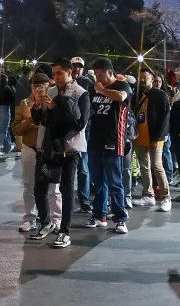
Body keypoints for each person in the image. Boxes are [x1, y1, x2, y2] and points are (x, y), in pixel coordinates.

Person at [30, 58, 89, 249]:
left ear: (69, 73)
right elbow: (42, 121)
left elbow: (79, 124)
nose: (55, 77)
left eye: (58, 73)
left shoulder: (81, 94)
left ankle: (64, 231)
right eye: (53, 74)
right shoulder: (51, 91)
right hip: (48, 149)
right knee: (40, 186)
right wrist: (37, 106)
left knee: (66, 189)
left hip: (69, 149)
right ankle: (45, 222)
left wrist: (56, 107)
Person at [83, 57, 131, 234]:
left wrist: (102, 90)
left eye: (101, 75)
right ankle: (99, 215)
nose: (98, 79)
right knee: (98, 181)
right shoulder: (94, 89)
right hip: (95, 139)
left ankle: (120, 218)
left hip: (113, 140)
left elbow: (121, 97)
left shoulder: (121, 86)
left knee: (115, 181)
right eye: (96, 75)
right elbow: (89, 107)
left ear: (111, 73)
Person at [13, 72, 61, 232]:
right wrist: (30, 119)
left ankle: (56, 219)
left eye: (42, 87)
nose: (38, 90)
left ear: (49, 86)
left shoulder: (55, 101)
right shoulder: (25, 103)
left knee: (53, 187)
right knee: (29, 185)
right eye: (35, 87)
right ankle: (29, 218)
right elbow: (16, 128)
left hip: (49, 150)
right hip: (30, 148)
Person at [132, 67, 172, 211]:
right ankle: (147, 194)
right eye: (141, 77)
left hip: (155, 137)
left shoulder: (160, 96)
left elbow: (165, 118)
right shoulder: (136, 95)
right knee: (144, 167)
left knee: (157, 166)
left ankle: (166, 196)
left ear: (152, 79)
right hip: (139, 136)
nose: (143, 80)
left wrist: (158, 137)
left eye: (146, 77)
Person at [71, 56, 94, 213]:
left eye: (79, 66)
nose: (77, 68)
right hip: (67, 132)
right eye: (74, 66)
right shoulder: (64, 83)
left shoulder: (89, 84)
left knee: (84, 169)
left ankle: (84, 200)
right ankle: (66, 199)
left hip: (85, 132)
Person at [0, 75, 15, 157]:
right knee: (2, 130)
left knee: (2, 129)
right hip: (5, 108)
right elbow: (12, 99)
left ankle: (7, 147)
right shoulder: (7, 88)